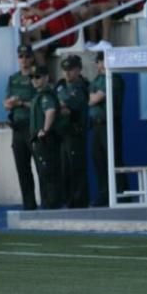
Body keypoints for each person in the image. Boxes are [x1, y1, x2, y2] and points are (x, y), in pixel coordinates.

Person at [88, 53, 127, 206]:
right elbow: (89, 97)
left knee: (114, 159)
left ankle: (121, 195)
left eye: (104, 60)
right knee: (98, 160)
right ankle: (105, 194)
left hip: (109, 123)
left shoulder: (114, 78)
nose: (102, 64)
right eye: (100, 61)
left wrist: (94, 96)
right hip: (96, 125)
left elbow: (95, 98)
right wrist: (93, 96)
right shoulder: (96, 80)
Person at [4, 44, 39, 210]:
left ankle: (49, 201)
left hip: (32, 126)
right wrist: (10, 104)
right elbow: (6, 102)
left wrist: (21, 103)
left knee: (41, 166)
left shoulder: (36, 77)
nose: (23, 60)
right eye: (21, 57)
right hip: (17, 127)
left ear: (31, 58)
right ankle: (29, 204)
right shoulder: (13, 78)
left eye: (26, 57)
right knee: (22, 168)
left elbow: (40, 103)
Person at [56, 55, 90, 208]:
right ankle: (69, 200)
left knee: (77, 169)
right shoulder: (61, 85)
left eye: (70, 70)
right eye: (65, 70)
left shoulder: (81, 86)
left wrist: (60, 105)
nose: (67, 73)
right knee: (65, 169)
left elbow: (69, 107)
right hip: (64, 133)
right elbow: (57, 104)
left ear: (78, 70)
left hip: (75, 132)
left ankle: (80, 201)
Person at [29, 66, 63, 210]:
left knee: (48, 173)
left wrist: (45, 130)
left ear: (46, 78)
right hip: (40, 139)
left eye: (38, 77)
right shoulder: (39, 95)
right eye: (32, 77)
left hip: (46, 140)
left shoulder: (46, 95)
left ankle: (51, 204)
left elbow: (50, 111)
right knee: (44, 173)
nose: (34, 80)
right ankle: (47, 203)